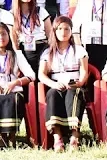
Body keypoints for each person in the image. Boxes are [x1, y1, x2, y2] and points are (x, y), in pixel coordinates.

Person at [38, 16, 89, 152]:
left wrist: (80, 83)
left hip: (74, 85)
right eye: (60, 29)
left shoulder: (79, 50)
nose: (63, 32)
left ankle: (74, 136)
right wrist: (53, 84)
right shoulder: (48, 52)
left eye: (67, 29)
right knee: (52, 94)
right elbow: (41, 74)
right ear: (54, 31)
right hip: (57, 85)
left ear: (71, 31)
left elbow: (84, 71)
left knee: (74, 93)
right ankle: (57, 137)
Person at [11, 0, 50, 76]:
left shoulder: (40, 11)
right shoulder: (11, 14)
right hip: (24, 48)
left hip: (42, 46)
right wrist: (18, 54)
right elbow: (13, 38)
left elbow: (50, 34)